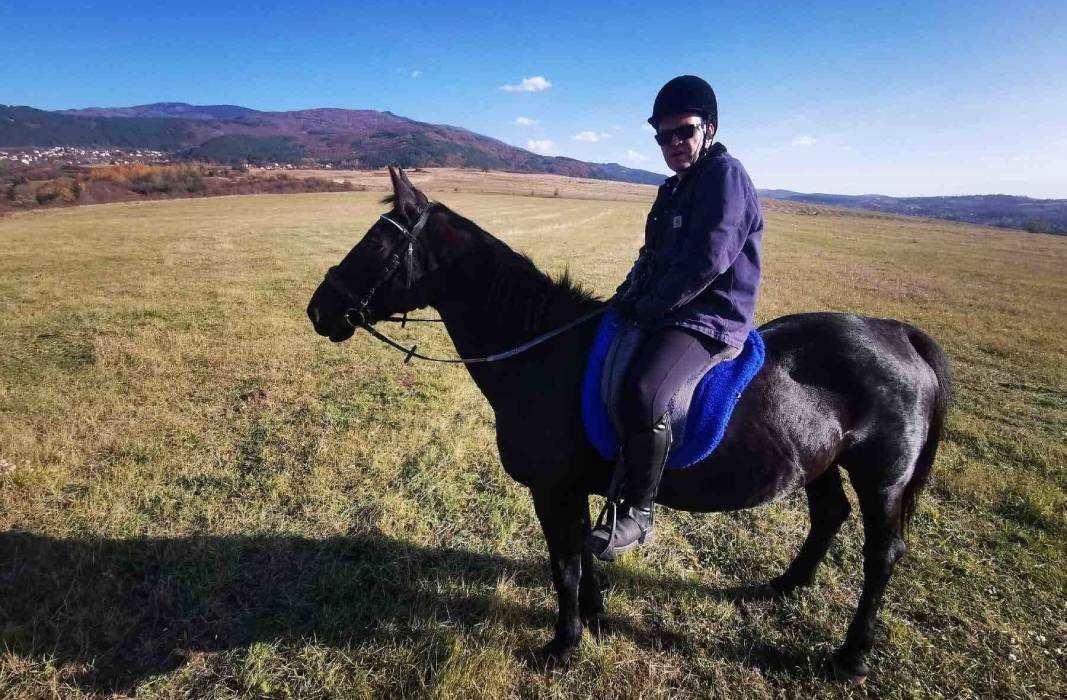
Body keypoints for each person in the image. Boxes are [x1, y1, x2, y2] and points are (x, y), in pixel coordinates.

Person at [586, 75, 764, 561]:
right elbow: (650, 257)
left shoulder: (725, 176)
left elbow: (710, 258)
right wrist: (623, 297)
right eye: (663, 136)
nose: (672, 144)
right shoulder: (671, 190)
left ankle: (639, 512)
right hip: (669, 309)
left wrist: (652, 307)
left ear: (709, 128)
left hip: (709, 317)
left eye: (682, 131)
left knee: (647, 391)